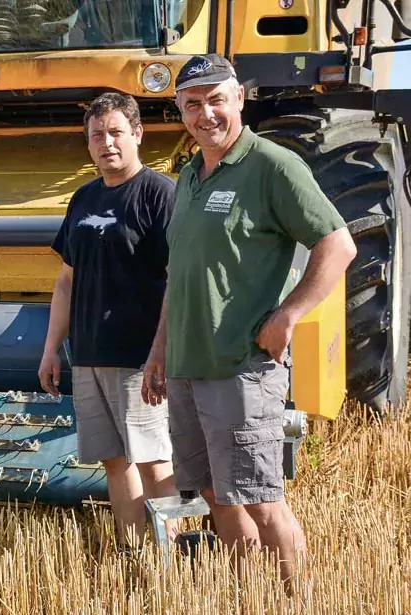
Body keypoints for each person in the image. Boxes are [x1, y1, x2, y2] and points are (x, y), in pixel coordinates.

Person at [141, 54, 356, 590]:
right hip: (189, 369)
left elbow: (338, 244)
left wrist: (289, 314)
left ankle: (295, 598)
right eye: (193, 104)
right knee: (217, 497)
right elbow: (181, 276)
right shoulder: (189, 176)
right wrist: (159, 352)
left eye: (217, 99)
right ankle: (249, 594)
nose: (205, 114)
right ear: (180, 112)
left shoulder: (272, 165)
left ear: (240, 99)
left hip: (241, 367)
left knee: (262, 500)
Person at [39, 92, 180, 549]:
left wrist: (161, 351)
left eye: (116, 132)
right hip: (89, 355)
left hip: (139, 356)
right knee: (115, 462)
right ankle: (134, 551)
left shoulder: (160, 195)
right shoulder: (83, 198)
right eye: (97, 135)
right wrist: (51, 349)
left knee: (154, 460)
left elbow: (179, 280)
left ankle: (171, 553)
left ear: (138, 134)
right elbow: (66, 281)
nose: (107, 143)